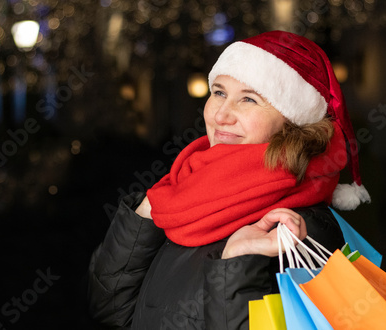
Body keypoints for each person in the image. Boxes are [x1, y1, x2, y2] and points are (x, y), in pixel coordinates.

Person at [86, 30, 370, 329]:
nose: (221, 115)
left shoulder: (298, 228)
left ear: (293, 122)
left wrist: (237, 262)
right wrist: (144, 216)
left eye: (248, 99)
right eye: (219, 92)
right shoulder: (181, 192)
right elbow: (111, 312)